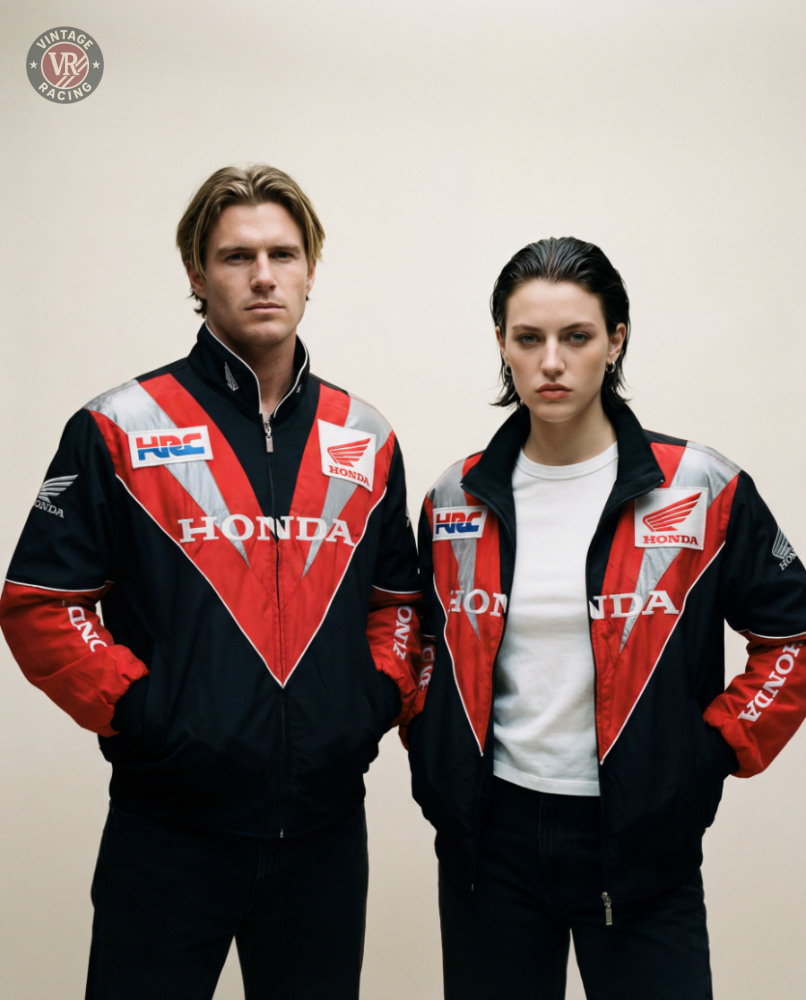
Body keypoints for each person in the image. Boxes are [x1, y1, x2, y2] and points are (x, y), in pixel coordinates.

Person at [0, 164, 422, 1000]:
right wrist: (147, 716)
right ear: (197, 275)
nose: (263, 276)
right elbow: (42, 603)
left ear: (310, 270)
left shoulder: (364, 436)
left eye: (282, 255)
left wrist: (369, 702)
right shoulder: (120, 426)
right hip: (167, 831)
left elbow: (398, 604)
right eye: (236, 257)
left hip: (324, 835)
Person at [408, 237, 806, 999]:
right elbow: (420, 641)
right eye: (529, 339)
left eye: (577, 336)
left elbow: (793, 634)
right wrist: (433, 740)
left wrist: (711, 750)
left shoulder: (699, 486)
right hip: (490, 841)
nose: (551, 362)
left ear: (616, 341)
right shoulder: (455, 497)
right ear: (502, 344)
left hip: (640, 837)